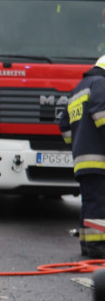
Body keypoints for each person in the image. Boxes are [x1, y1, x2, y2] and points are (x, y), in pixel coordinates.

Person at [59, 55, 105, 258]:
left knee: (89, 204)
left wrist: (78, 145)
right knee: (99, 205)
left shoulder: (78, 88)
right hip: (99, 160)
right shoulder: (100, 83)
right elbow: (101, 114)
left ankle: (87, 244)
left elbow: (64, 125)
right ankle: (97, 248)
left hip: (83, 160)